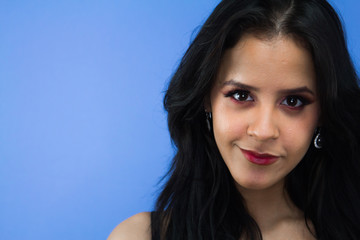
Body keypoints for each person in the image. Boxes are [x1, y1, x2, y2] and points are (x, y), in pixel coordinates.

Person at [108, 0, 360, 239]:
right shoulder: (140, 236)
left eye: (293, 101)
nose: (263, 131)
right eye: (241, 95)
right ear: (206, 97)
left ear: (324, 113)